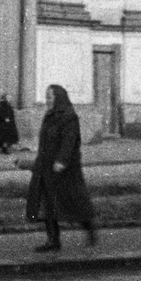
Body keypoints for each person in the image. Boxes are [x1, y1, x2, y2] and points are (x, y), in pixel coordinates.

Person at [24, 84, 96, 252]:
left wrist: (62, 161)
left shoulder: (70, 117)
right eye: (47, 96)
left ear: (59, 98)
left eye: (50, 96)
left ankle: (90, 228)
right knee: (48, 204)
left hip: (66, 170)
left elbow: (69, 142)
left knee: (73, 203)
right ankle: (53, 241)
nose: (47, 100)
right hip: (48, 168)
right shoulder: (49, 116)